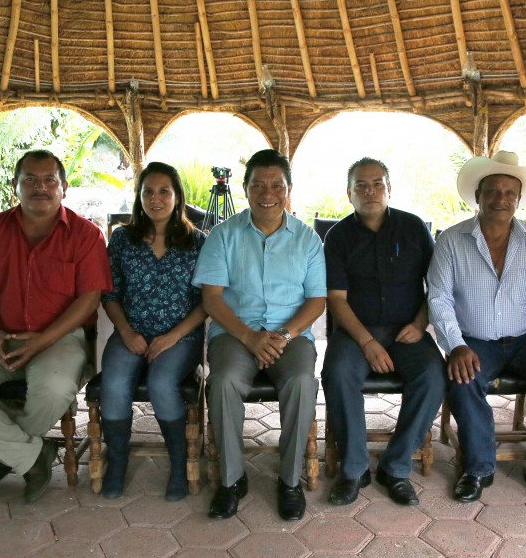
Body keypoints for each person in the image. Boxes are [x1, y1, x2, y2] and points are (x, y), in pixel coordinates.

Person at [0, 149, 110, 504]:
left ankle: (10, 453)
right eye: (30, 179)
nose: (40, 187)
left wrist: (43, 339)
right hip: (1, 335)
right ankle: (33, 455)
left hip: (58, 338)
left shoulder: (85, 235)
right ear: (15, 185)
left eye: (50, 180)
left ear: (64, 188)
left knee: (55, 389)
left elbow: (89, 299)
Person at [428, 151, 526, 507]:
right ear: (478, 196)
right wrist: (455, 345)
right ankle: (478, 469)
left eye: (509, 192)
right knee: (463, 380)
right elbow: (438, 300)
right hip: (474, 341)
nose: (501, 198)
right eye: (493, 191)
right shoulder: (451, 241)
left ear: (518, 198)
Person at [193, 149, 326, 521]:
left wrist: (284, 334)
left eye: (276, 185)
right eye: (258, 185)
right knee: (222, 382)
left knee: (302, 380)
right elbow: (212, 298)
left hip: (291, 335)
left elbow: (317, 300)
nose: (267, 193)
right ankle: (232, 480)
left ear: (289, 189)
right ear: (246, 188)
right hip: (235, 333)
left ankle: (289, 481)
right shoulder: (223, 235)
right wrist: (251, 338)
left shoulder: (307, 239)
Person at [321, 157, 445, 507]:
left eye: (377, 183)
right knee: (338, 373)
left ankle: (396, 466)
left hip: (408, 329)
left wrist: (421, 324)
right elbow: (337, 300)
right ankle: (354, 468)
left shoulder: (413, 227)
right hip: (356, 330)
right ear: (349, 193)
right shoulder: (339, 236)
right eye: (361, 185)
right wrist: (367, 342)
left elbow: (435, 285)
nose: (370, 191)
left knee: (433, 376)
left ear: (389, 189)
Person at [99, 162, 206, 501]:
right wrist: (126, 331)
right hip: (131, 332)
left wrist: (174, 336)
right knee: (114, 384)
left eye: (164, 191)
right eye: (148, 191)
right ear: (139, 197)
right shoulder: (122, 240)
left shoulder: (198, 242)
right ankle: (116, 462)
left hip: (181, 336)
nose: (155, 198)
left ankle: (178, 464)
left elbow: (207, 302)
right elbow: (110, 294)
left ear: (178, 197)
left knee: (162, 383)